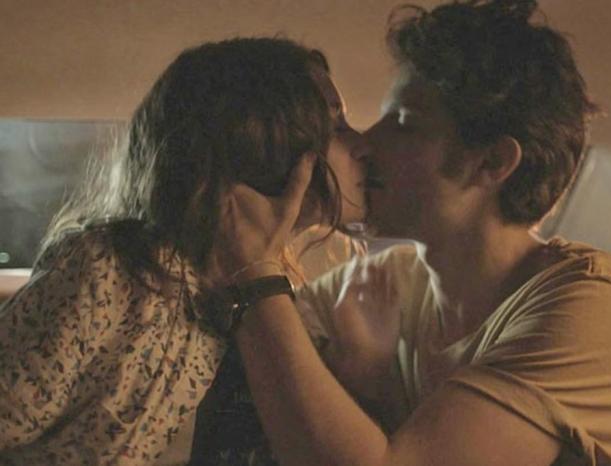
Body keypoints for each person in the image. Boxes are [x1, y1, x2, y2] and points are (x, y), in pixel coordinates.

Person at [214, 1, 611, 465]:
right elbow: (245, 346)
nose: (366, 142)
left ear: (492, 162)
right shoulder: (387, 280)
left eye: (404, 124)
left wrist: (257, 273)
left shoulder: (593, 304)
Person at [0, 37, 366, 465]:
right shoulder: (114, 272)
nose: (364, 144)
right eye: (338, 127)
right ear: (264, 143)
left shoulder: (288, 285)